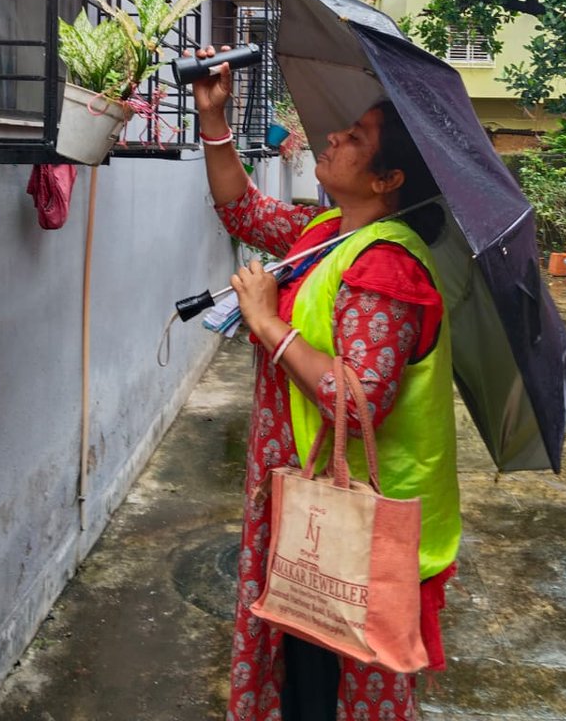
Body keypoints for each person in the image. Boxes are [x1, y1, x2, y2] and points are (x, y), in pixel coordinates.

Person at [191, 48, 461, 721]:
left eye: (357, 138)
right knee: (303, 655)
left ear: (386, 179)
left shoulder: (388, 270)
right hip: (306, 489)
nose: (335, 136)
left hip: (351, 509)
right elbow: (243, 211)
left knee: (337, 672)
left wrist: (263, 321)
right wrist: (213, 119)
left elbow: (358, 398)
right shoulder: (325, 233)